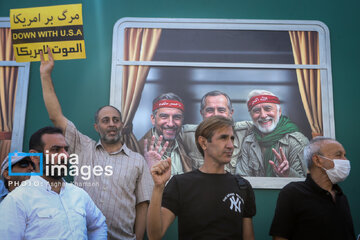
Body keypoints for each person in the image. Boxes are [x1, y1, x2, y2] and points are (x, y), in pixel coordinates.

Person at [39, 48, 153, 240]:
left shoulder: (137, 161)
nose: (111, 124)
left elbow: (142, 205)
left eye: (116, 120)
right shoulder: (82, 147)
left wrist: (139, 239)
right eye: (105, 120)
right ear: (96, 126)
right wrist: (45, 74)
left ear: (122, 125)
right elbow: (55, 117)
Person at [147, 116, 256, 240]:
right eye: (223, 138)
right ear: (203, 142)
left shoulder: (242, 186)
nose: (231, 145)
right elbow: (154, 236)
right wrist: (158, 187)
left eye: (232, 138)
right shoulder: (181, 183)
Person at [0, 126, 107, 239]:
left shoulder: (78, 194)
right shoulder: (17, 200)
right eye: (55, 150)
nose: (65, 156)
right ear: (35, 157)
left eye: (65, 149)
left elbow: (98, 225)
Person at [269, 137, 356, 240]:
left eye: (344, 155)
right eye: (338, 155)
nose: (345, 160)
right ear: (317, 160)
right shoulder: (293, 193)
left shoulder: (341, 196)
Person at [236, 90, 308, 177]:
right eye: (256, 111)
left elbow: (304, 182)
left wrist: (288, 173)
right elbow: (242, 178)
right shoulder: (249, 142)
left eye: (268, 109)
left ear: (279, 111)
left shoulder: (296, 141)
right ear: (251, 116)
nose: (263, 115)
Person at [181, 90, 252, 174]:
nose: (215, 115)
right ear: (201, 113)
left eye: (221, 110)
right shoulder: (187, 134)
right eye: (210, 110)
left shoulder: (245, 131)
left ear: (231, 113)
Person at [139, 92, 193, 175]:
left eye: (177, 117)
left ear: (182, 119)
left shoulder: (187, 146)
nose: (171, 123)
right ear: (153, 119)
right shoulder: (139, 150)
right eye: (164, 116)